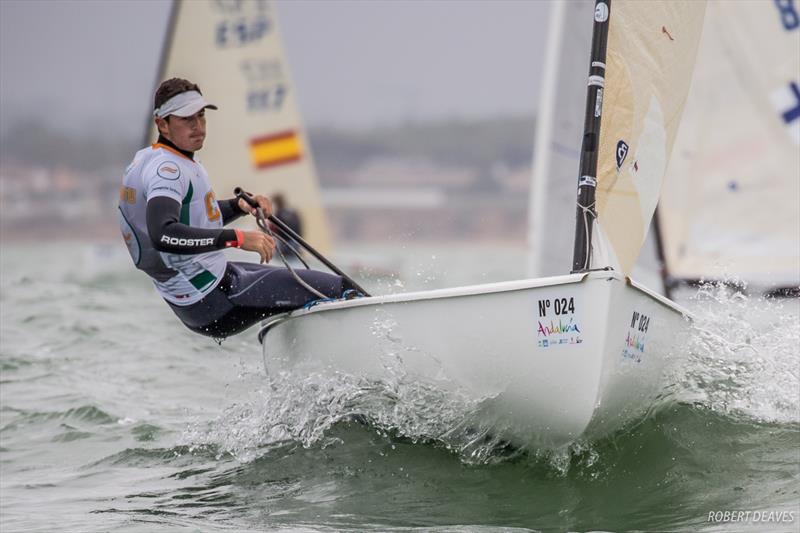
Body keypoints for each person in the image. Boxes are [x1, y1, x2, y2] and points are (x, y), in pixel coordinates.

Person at [118, 77, 349, 339]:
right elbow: (163, 234)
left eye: (201, 116)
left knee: (304, 284)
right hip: (213, 299)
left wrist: (237, 206)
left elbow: (192, 215)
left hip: (208, 290)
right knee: (341, 289)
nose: (198, 127)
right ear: (163, 124)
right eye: (186, 119)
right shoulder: (167, 171)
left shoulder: (151, 159)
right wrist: (237, 239)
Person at [270, 193, 303, 259]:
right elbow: (300, 227)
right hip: (296, 241)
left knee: (284, 261)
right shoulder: (293, 211)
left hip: (285, 242)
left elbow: (276, 228)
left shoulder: (279, 213)